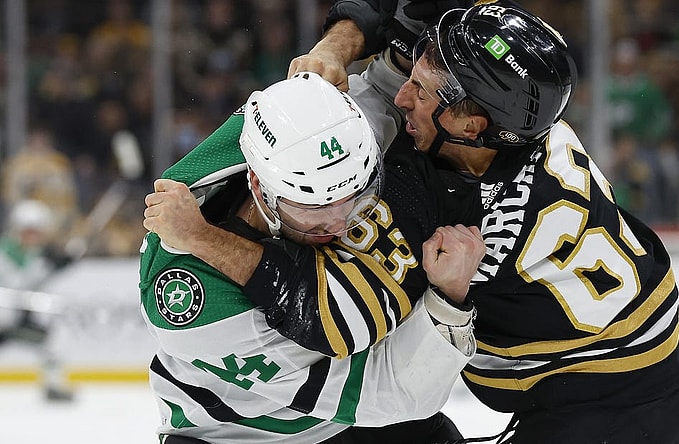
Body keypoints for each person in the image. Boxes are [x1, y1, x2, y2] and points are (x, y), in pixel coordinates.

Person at [159, 2, 679, 443]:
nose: (398, 93)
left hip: (614, 423)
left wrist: (202, 238)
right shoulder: (509, 116)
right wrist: (337, 44)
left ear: (471, 125)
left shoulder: (457, 211)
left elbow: (329, 317)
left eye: (421, 92)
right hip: (655, 376)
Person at [140, 73, 485, 443]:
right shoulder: (196, 306)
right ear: (260, 187)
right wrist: (449, 301)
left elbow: (374, 87)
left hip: (341, 424)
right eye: (316, 210)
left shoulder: (300, 126)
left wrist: (335, 47)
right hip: (227, 436)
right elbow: (390, 392)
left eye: (354, 197)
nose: (339, 226)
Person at [0, 200, 74, 401]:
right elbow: (16, 285)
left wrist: (59, 265)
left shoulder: (37, 255)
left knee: (55, 336)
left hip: (16, 318)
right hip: (4, 314)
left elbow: (35, 288)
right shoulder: (4, 252)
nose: (33, 237)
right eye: (29, 231)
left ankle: (53, 384)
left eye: (37, 232)